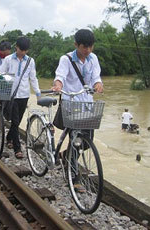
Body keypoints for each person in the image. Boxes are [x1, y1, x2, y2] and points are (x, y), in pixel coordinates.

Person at [51, 28, 103, 193]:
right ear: (76, 45)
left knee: (87, 141)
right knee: (75, 140)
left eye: (90, 47)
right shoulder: (66, 59)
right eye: (84, 47)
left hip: (87, 104)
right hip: (71, 103)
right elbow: (60, 76)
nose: (87, 50)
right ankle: (73, 178)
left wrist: (98, 84)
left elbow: (96, 76)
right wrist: (58, 85)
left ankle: (65, 156)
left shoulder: (93, 58)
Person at [0, 37, 41, 159]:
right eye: (20, 49)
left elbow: (33, 78)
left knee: (16, 121)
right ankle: (18, 148)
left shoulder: (30, 61)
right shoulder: (8, 59)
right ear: (16, 47)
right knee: (16, 121)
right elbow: (1, 73)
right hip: (11, 95)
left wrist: (38, 93)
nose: (22, 52)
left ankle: (9, 138)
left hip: (24, 94)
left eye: (24, 50)